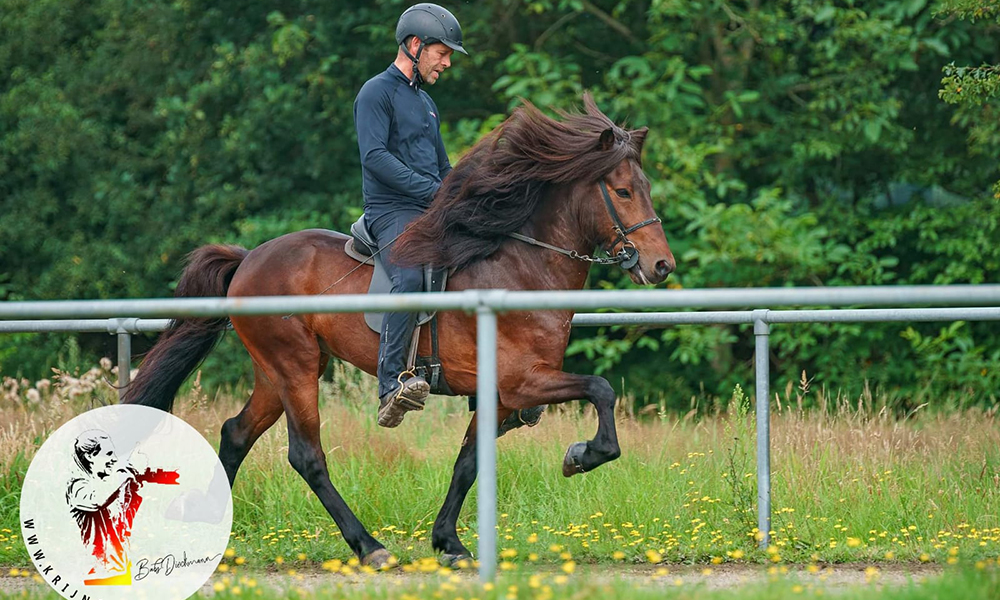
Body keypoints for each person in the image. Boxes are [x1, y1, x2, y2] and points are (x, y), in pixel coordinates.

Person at [353, 3, 467, 428]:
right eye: (442, 52)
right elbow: (375, 157)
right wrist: (436, 193)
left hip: (428, 208)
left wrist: (465, 194)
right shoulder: (375, 92)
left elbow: (442, 167)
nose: (447, 62)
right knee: (411, 277)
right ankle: (390, 386)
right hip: (390, 211)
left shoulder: (428, 104)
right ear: (416, 45)